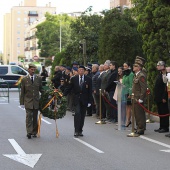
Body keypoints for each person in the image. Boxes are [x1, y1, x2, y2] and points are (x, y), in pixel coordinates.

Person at [63, 65, 92, 137]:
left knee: (82, 115)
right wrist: (63, 95)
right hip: (76, 99)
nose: (81, 71)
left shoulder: (88, 79)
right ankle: (76, 130)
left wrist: (89, 101)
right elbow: (69, 87)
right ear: (78, 71)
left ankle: (80, 130)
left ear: (84, 71)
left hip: (84, 99)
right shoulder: (74, 79)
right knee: (77, 113)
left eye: (83, 70)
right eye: (80, 70)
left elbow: (90, 91)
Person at [20, 64, 43, 139]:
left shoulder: (38, 78)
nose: (33, 71)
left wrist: (47, 95)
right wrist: (22, 103)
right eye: (32, 69)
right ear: (28, 70)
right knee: (28, 117)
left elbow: (41, 89)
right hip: (28, 101)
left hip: (36, 101)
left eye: (34, 70)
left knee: (34, 117)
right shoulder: (24, 79)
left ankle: (34, 132)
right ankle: (29, 132)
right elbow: (22, 92)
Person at [132, 57, 147, 135]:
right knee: (136, 113)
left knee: (139, 114)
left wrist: (141, 98)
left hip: (138, 98)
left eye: (135, 66)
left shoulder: (141, 76)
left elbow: (143, 88)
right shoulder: (136, 75)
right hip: (135, 97)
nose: (133, 67)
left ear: (139, 68)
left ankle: (141, 128)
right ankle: (139, 127)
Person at [154, 61, 169, 133]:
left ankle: (165, 127)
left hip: (163, 97)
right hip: (158, 97)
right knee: (160, 112)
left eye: (158, 65)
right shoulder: (159, 74)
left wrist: (164, 97)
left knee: (164, 112)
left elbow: (165, 88)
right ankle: (161, 126)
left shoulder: (166, 75)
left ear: (163, 66)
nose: (157, 67)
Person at [122, 62, 134, 127]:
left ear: (129, 66)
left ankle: (128, 120)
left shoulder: (131, 74)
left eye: (126, 66)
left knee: (129, 107)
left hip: (128, 92)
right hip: (124, 92)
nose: (124, 67)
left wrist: (130, 93)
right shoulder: (125, 74)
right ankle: (127, 120)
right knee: (126, 107)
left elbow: (131, 84)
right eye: (124, 66)